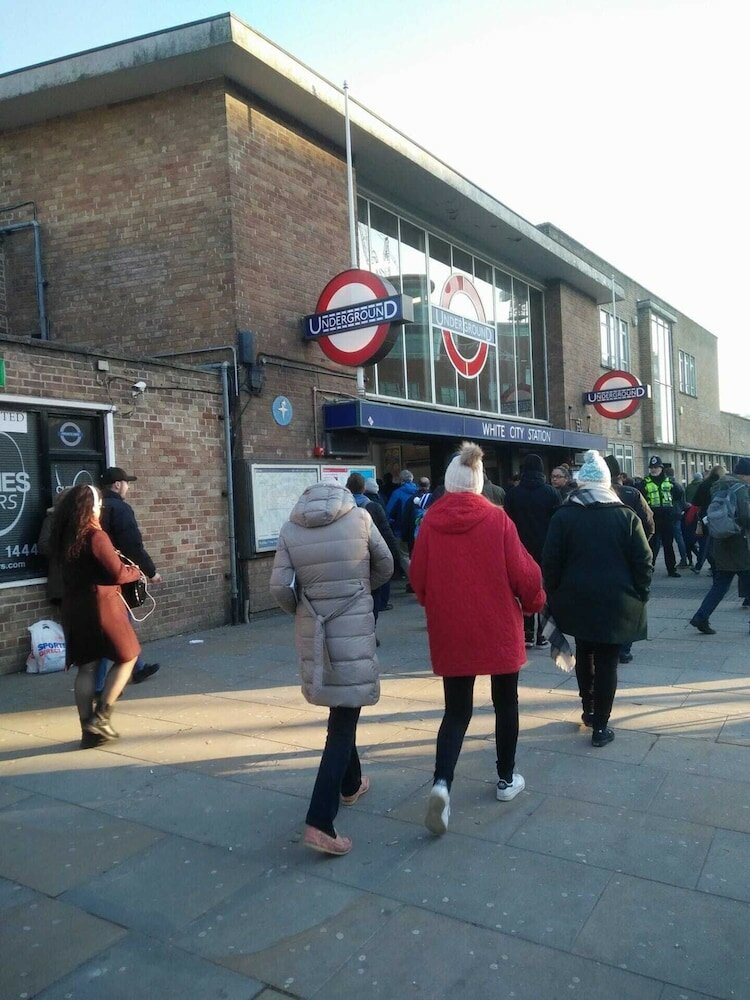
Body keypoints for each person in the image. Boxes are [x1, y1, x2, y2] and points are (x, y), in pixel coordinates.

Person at [409, 442, 545, 835]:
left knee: (456, 712)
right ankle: (506, 779)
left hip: (453, 629)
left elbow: (418, 579)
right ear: (480, 482)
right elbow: (525, 575)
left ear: (449, 484)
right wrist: (535, 603)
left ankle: (441, 784)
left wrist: (437, 600)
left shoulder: (432, 522)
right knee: (506, 703)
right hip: (498, 626)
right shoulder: (498, 520)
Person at [270, 480, 393, 856]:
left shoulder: (291, 529)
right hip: (352, 624)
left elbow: (279, 587)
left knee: (342, 708)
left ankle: (351, 784)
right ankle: (320, 820)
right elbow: (386, 565)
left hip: (316, 628)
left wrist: (303, 609)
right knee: (342, 722)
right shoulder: (360, 518)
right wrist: (358, 591)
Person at [542, 450, 653, 748]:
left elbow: (550, 561)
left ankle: (588, 710)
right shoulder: (626, 516)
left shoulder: (564, 515)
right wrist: (641, 593)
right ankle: (601, 727)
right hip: (617, 603)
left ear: (580, 484)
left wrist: (555, 594)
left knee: (585, 653)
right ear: (606, 484)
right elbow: (644, 562)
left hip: (576, 601)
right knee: (608, 663)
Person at [47, 484, 144, 748]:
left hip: (74, 606)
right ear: (90, 507)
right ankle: (101, 716)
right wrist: (134, 571)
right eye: (99, 504)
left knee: (86, 667)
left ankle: (87, 731)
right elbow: (116, 573)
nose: (101, 508)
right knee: (129, 655)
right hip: (101, 606)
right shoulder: (96, 536)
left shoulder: (63, 535)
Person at [97, 466, 161, 690]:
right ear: (117, 485)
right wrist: (151, 571)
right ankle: (99, 687)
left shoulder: (94, 508)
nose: (128, 487)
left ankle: (138, 667)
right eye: (126, 483)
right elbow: (132, 545)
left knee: (119, 624)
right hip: (117, 576)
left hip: (95, 576)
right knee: (115, 628)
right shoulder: (119, 509)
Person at [504, 453, 561, 647]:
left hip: (519, 549)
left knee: (522, 590)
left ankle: (526, 632)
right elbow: (558, 523)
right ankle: (543, 634)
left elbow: (507, 523)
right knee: (544, 590)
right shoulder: (551, 493)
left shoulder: (512, 494)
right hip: (546, 549)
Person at [689, 458, 750, 634]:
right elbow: (746, 517)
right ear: (746, 475)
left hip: (721, 542)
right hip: (740, 545)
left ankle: (701, 617)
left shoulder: (718, 486)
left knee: (720, 585)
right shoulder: (741, 489)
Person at [604, 455, 655, 664]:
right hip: (630, 556)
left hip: (605, 558)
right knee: (629, 602)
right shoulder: (633, 494)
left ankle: (609, 644)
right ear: (619, 475)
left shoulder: (592, 496)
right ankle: (624, 649)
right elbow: (649, 524)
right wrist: (640, 545)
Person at [345, 473, 401, 640]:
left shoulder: (343, 508)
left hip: (350, 558)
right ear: (363, 488)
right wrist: (394, 554)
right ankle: (370, 629)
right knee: (373, 595)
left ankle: (355, 630)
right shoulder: (374, 507)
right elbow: (385, 531)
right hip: (370, 556)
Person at [640, 456, 682, 577]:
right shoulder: (644, 482)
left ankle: (671, 569)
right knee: (651, 545)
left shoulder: (670, 482)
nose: (653, 470)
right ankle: (649, 567)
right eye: (652, 467)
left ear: (661, 468)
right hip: (652, 518)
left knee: (668, 544)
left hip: (667, 518)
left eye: (656, 467)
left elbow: (678, 495)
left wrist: (673, 509)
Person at [37, 487, 72, 605]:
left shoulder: (82, 521)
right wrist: (67, 547)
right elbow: (43, 546)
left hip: (79, 583)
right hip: (62, 580)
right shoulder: (52, 520)